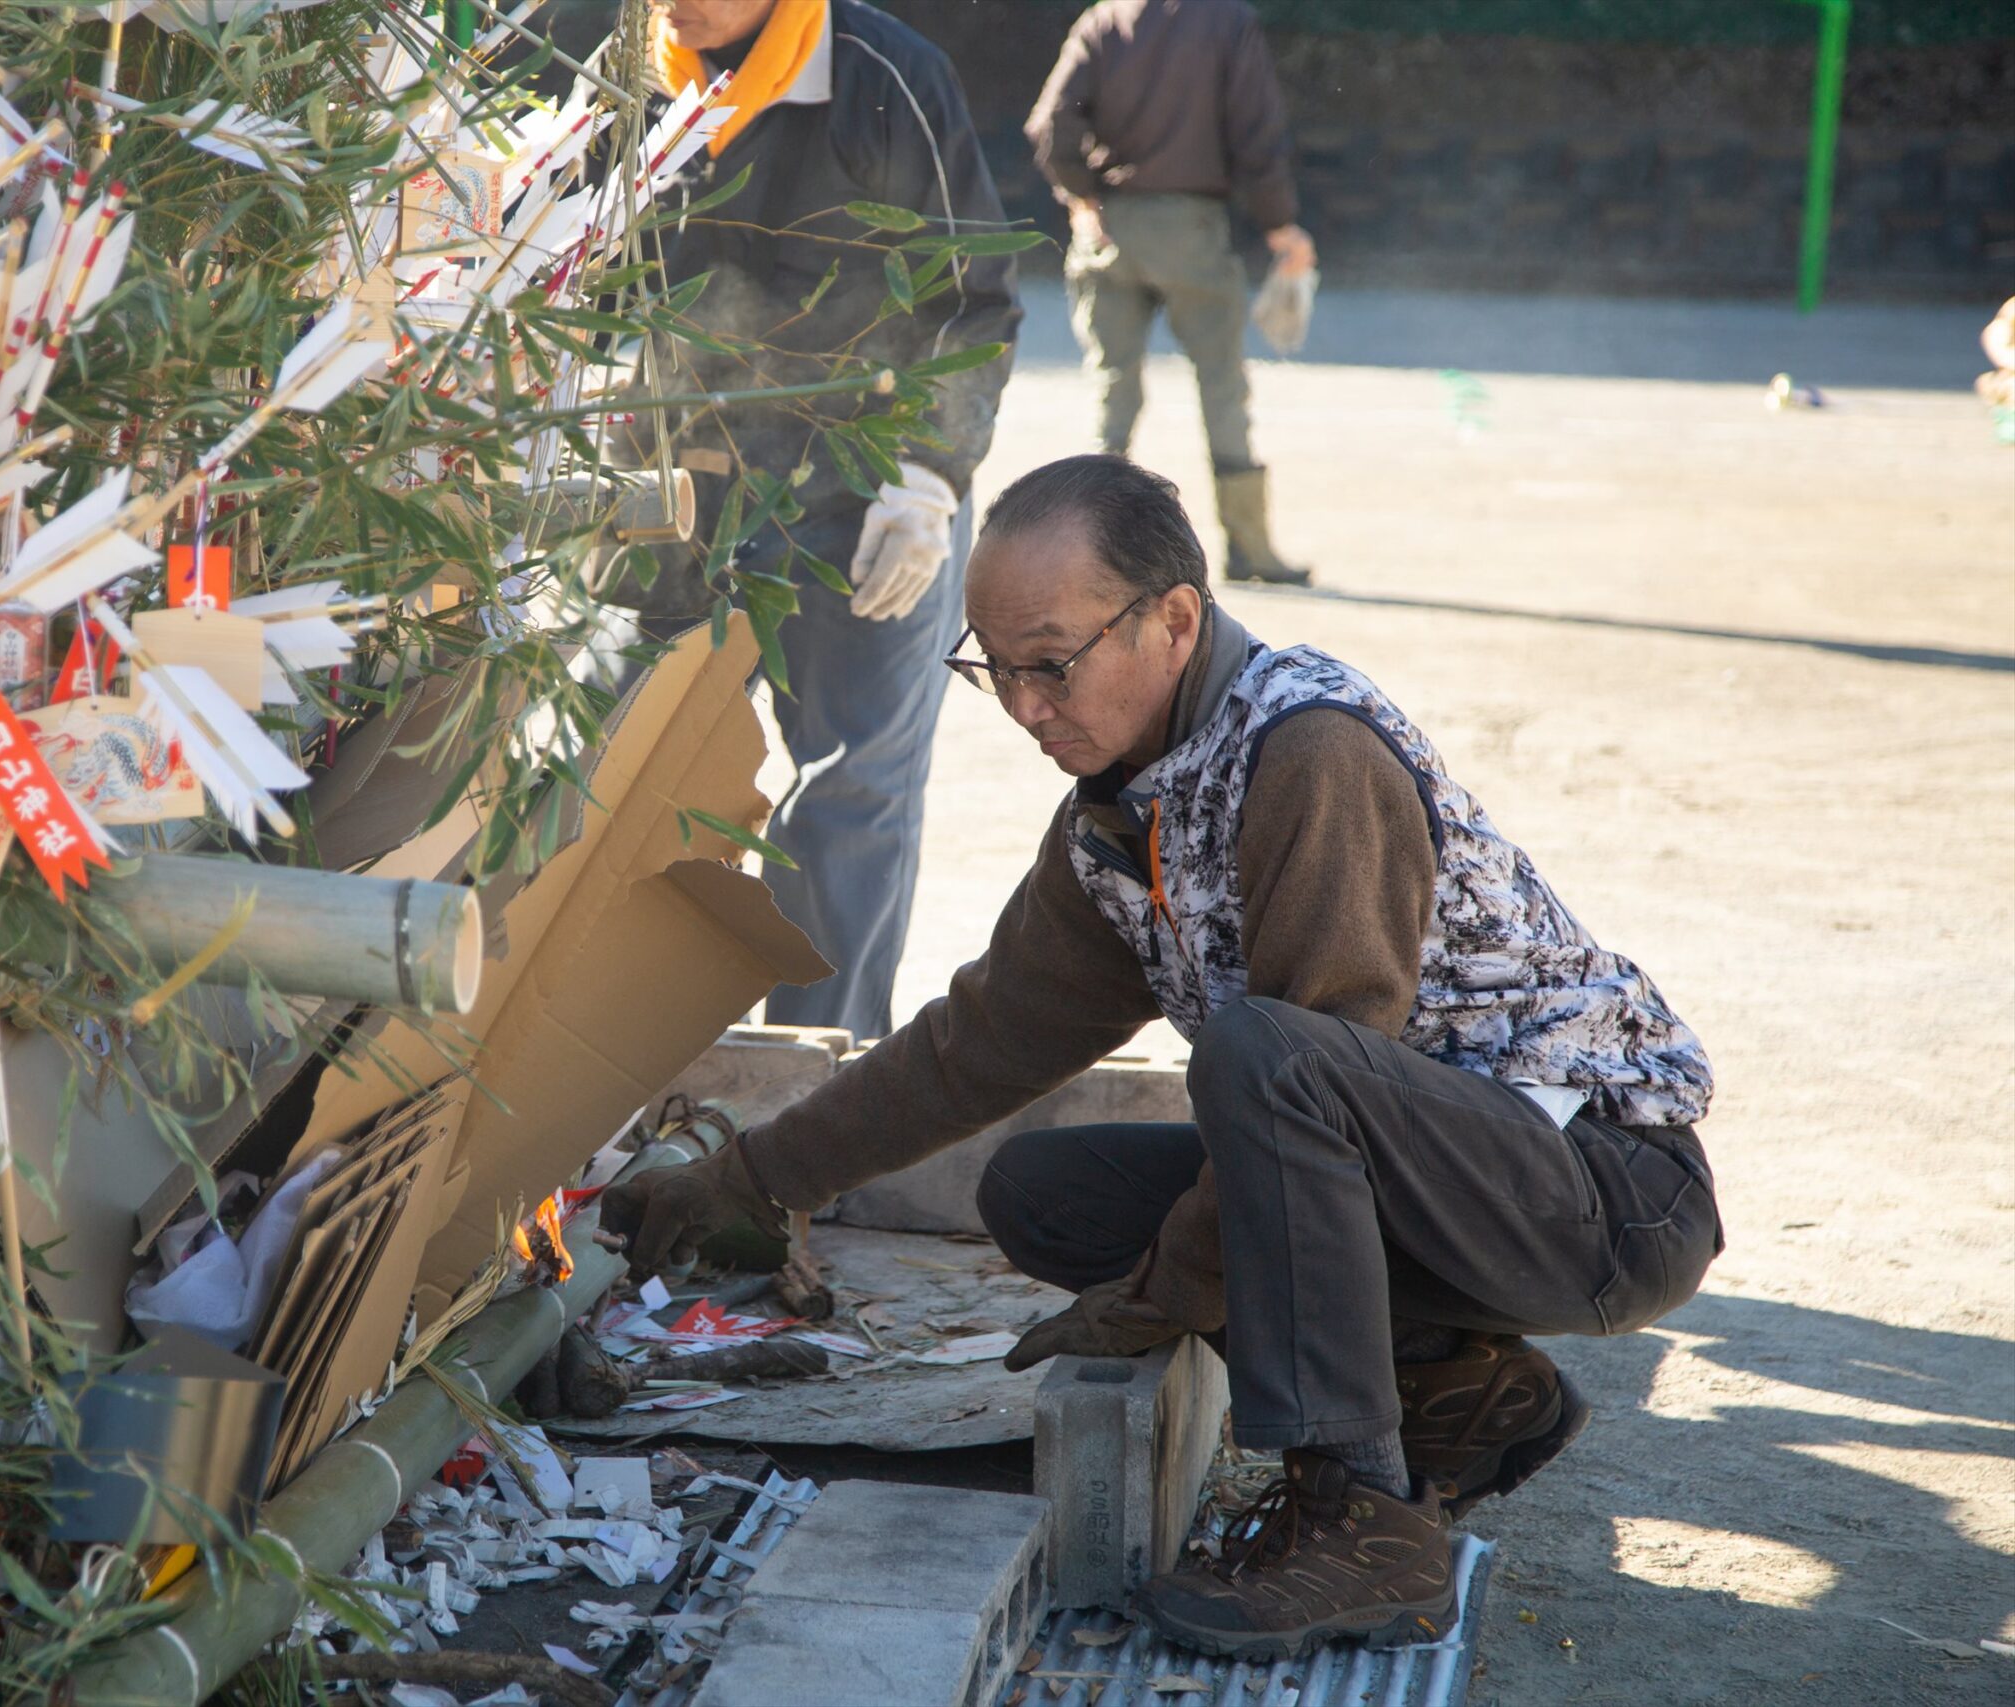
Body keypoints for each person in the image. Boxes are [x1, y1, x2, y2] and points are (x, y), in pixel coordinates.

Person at [603, 455, 1723, 1660]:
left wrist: (1166, 1293)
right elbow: (981, 1041)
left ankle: (1362, 1522)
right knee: (1047, 1195)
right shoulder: (1121, 804)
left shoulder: (1308, 751)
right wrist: (753, 1179)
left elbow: (1321, 1061)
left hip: (1602, 1200)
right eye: (993, 668)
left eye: (1050, 664)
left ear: (1173, 619)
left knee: (1265, 1060)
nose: (1025, 707)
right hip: (1450, 1190)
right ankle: (1451, 1399)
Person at [623, 0, 1022, 1044]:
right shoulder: (624, 62)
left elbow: (970, 298)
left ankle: (814, 1085)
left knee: (848, 799)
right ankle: (618, 1074)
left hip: (867, 492)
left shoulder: (885, 79)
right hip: (676, 494)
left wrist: (929, 476)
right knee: (633, 788)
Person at [1026, 0, 1315, 586]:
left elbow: (1051, 126)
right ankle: (1249, 547)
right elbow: (1256, 133)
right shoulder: (1227, 22)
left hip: (1108, 231)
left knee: (1112, 389)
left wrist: (1085, 198)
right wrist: (1279, 224)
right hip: (1192, 230)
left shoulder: (1105, 20)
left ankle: (1081, 549)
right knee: (1221, 386)